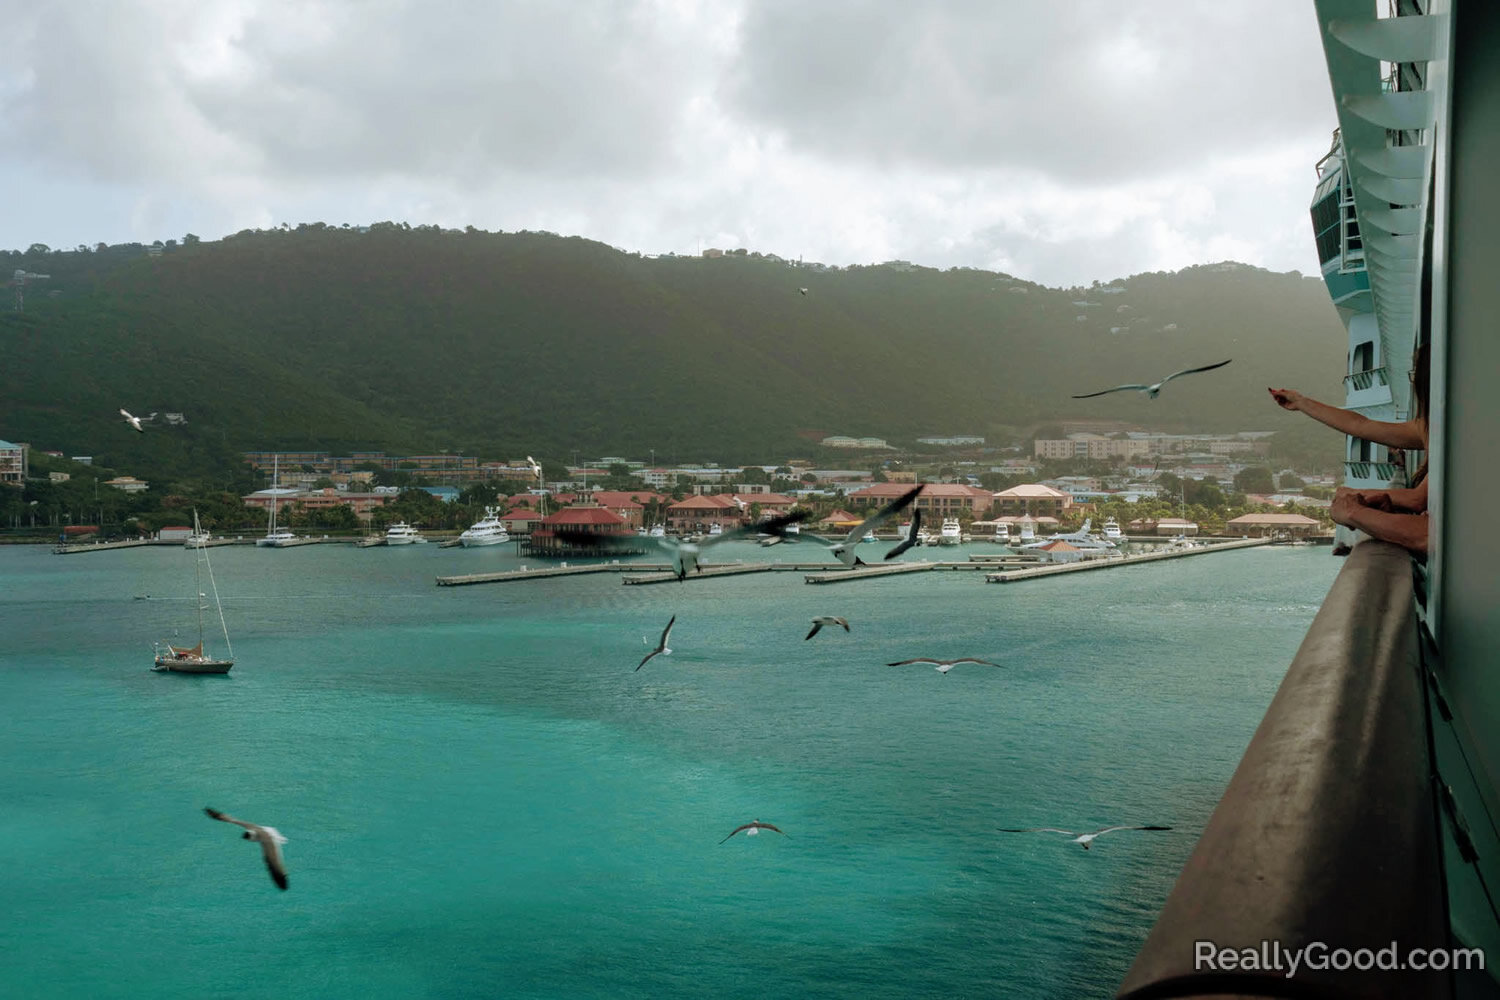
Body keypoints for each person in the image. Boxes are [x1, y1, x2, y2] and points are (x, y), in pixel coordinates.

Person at [1268, 340, 1430, 556]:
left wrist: (1351, 502)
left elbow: (1417, 500)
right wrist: (1300, 402)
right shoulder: (1432, 427)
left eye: (1414, 377)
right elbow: (1359, 425)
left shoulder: (1451, 430)